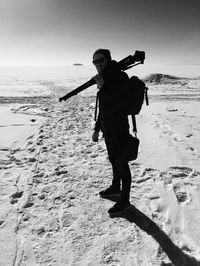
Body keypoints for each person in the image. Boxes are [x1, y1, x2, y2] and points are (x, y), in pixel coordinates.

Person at [92, 48, 132, 216]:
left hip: (119, 129)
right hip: (108, 130)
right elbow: (104, 108)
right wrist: (96, 128)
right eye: (95, 62)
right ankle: (116, 187)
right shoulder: (105, 78)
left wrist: (102, 86)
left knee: (122, 164)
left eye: (100, 60)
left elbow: (118, 102)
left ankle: (125, 200)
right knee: (113, 161)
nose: (98, 64)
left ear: (108, 59)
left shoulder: (120, 77)